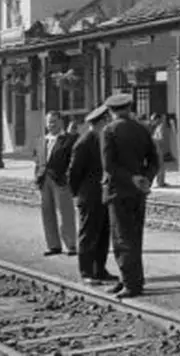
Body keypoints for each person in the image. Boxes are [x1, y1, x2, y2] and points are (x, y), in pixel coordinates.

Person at [100, 92, 159, 299]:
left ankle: (131, 284)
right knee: (136, 236)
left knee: (121, 238)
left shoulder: (109, 130)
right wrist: (145, 179)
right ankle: (132, 279)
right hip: (138, 191)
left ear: (110, 111)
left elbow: (108, 165)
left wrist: (131, 178)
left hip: (119, 190)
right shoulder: (142, 129)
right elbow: (154, 160)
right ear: (129, 108)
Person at [68, 106, 118, 286]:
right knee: (88, 234)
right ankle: (86, 271)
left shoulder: (102, 139)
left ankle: (100, 269)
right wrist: (76, 194)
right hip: (89, 196)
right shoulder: (84, 142)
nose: (109, 123)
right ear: (101, 122)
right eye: (107, 121)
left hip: (104, 195)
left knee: (103, 233)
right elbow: (74, 173)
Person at [35, 111, 78, 256]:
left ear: (61, 122)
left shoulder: (68, 139)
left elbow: (73, 161)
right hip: (44, 180)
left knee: (65, 213)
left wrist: (68, 176)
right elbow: (38, 161)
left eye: (54, 121)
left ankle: (70, 245)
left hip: (60, 180)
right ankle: (53, 245)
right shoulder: (42, 140)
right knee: (47, 213)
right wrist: (37, 178)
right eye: (48, 122)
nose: (51, 125)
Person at [149, 114, 169, 188]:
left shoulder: (161, 127)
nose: (152, 122)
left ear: (157, 119)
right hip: (157, 148)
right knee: (159, 166)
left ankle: (161, 182)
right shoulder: (158, 127)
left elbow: (161, 139)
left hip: (158, 148)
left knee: (160, 166)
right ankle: (160, 182)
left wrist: (153, 139)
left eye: (153, 120)